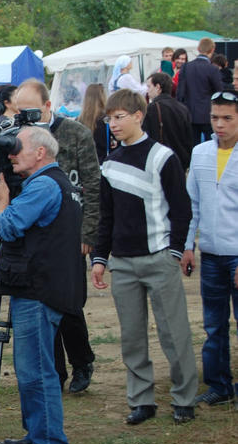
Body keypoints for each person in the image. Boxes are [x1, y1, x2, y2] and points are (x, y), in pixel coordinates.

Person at [90, 88, 197, 425]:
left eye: (119, 116)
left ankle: (184, 397)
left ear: (139, 115)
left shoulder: (164, 157)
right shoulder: (110, 163)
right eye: (109, 118)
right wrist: (99, 258)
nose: (113, 123)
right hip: (122, 263)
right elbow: (106, 216)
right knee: (132, 337)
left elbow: (182, 210)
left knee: (173, 334)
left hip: (159, 257)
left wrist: (175, 252)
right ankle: (142, 400)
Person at [0, 126, 82, 444]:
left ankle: (49, 443)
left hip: (38, 289)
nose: (10, 155)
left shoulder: (44, 186)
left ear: (40, 153)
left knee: (35, 369)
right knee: (36, 367)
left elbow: (7, 228)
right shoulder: (58, 182)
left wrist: (3, 200)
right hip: (49, 285)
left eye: (17, 148)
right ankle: (38, 434)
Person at [14, 78, 100, 394]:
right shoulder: (18, 138)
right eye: (19, 111)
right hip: (36, 236)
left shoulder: (75, 134)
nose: (24, 117)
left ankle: (81, 361)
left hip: (70, 232)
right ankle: (54, 371)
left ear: (48, 106)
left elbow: (91, 184)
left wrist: (88, 232)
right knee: (40, 304)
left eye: (31, 111)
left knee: (69, 304)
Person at [182, 91, 238, 407]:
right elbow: (193, 204)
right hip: (212, 254)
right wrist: (188, 245)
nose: (219, 124)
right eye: (215, 117)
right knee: (213, 324)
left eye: (227, 118)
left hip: (237, 252)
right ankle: (219, 384)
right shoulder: (201, 153)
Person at [177, 38, 225, 146]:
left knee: (193, 147)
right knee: (210, 146)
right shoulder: (212, 69)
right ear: (212, 49)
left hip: (190, 114)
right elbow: (219, 92)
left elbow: (180, 93)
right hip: (208, 114)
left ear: (198, 49)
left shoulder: (186, 67)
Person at [143, 72, 194, 171]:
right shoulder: (182, 108)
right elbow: (189, 138)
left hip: (161, 160)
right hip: (181, 160)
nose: (147, 91)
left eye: (149, 87)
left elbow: (147, 136)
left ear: (157, 87)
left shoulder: (152, 108)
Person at [77, 84, 118, 164]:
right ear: (102, 97)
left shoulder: (78, 121)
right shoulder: (106, 120)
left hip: (84, 163)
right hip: (102, 162)